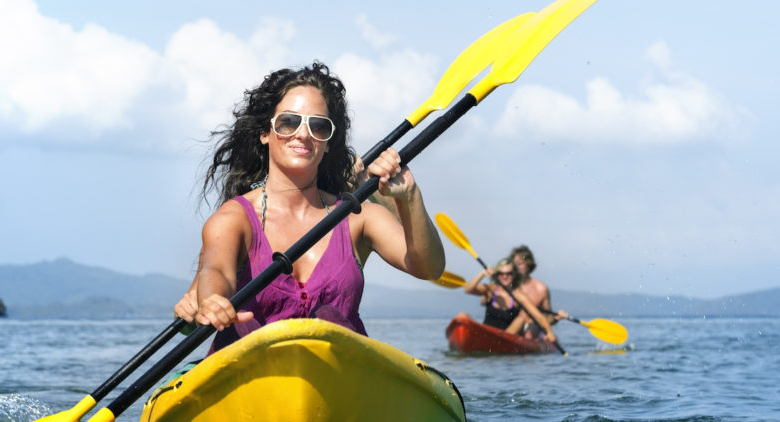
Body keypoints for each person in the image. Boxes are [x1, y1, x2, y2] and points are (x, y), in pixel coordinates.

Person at [174, 62, 445, 353]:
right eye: (289, 122)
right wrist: (213, 300)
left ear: (328, 143)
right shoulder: (234, 217)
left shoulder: (359, 218)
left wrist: (409, 196)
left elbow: (429, 268)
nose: (303, 134)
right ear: (265, 133)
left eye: (318, 126)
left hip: (338, 375)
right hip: (248, 373)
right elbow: (216, 271)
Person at [463, 258, 559, 343]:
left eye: (509, 273)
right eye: (501, 273)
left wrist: (549, 332)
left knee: (522, 317)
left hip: (507, 337)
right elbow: (468, 289)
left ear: (514, 275)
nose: (505, 277)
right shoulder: (490, 290)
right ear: (497, 275)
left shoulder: (518, 295)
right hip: (486, 334)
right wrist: (482, 274)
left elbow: (538, 316)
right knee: (462, 316)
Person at [506, 244, 568, 338]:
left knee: (532, 325)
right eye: (514, 264)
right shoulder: (506, 285)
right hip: (508, 327)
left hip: (530, 332)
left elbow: (548, 318)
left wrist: (556, 318)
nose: (516, 268)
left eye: (520, 264)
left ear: (529, 264)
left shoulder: (541, 289)